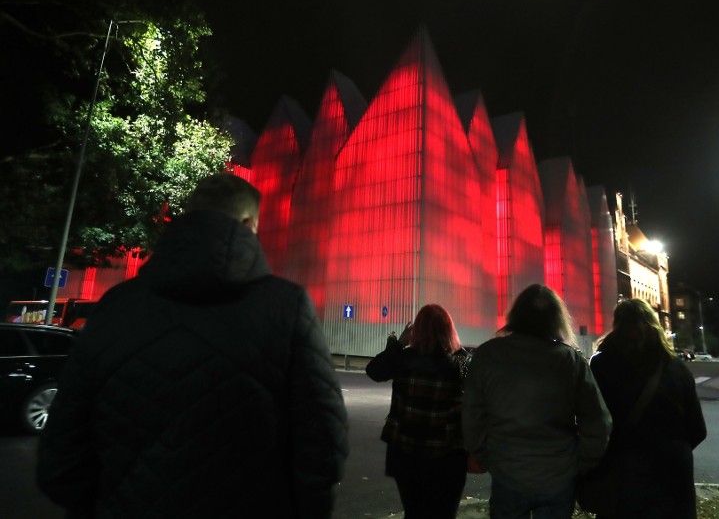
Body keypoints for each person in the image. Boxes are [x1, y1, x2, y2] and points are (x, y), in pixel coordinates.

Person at [37, 173, 348, 519]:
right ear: (248, 223)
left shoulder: (115, 306)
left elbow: (61, 453)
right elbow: (322, 442)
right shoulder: (287, 307)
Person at [463, 284, 612, 519]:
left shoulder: (488, 355)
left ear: (516, 316)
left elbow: (472, 414)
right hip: (559, 474)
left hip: (507, 471)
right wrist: (581, 463)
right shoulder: (570, 361)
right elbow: (598, 421)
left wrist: (482, 455)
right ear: (557, 319)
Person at [589, 298, 707, 519]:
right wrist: (670, 450)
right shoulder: (677, 369)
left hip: (624, 470)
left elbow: (594, 419)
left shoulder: (602, 365)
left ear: (617, 325)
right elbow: (698, 429)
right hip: (673, 473)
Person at [365, 304, 470, 519]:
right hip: (447, 454)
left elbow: (374, 371)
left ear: (417, 330)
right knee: (444, 513)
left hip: (406, 452)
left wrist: (398, 344)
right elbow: (476, 397)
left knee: (414, 511)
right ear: (448, 329)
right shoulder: (460, 362)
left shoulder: (403, 359)